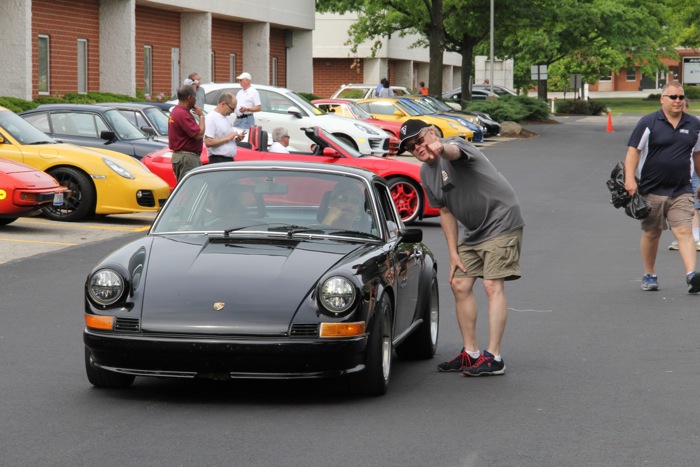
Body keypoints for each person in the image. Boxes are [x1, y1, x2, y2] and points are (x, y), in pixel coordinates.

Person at [399, 119, 524, 376]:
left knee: (492, 285)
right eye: (411, 147)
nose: (418, 148)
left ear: (432, 134)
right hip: (474, 230)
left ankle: (494, 357)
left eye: (419, 140)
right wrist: (453, 253)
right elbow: (445, 212)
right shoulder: (425, 173)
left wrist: (441, 148)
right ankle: (471, 353)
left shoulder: (456, 145)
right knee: (459, 284)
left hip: (501, 220)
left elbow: (454, 152)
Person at [624, 81, 700, 293]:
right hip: (652, 189)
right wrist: (630, 178)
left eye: (681, 97)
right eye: (673, 97)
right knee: (652, 232)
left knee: (684, 230)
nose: (678, 101)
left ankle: (691, 276)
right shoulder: (649, 122)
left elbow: (697, 154)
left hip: (681, 188)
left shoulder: (694, 124)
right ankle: (649, 274)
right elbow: (633, 151)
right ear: (662, 99)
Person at [669, 97, 700, 251]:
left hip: (692, 169)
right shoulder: (671, 125)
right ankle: (688, 237)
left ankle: (695, 238)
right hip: (680, 170)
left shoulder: (693, 125)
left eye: (683, 106)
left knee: (691, 204)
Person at [168, 84, 205, 182]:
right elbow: (199, 135)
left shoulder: (176, 111)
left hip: (181, 156)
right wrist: (201, 116)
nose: (195, 100)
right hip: (187, 158)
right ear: (190, 98)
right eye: (195, 97)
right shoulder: (183, 113)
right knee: (192, 187)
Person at [204, 92, 245, 163]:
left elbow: (226, 137)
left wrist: (236, 138)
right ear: (223, 104)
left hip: (228, 159)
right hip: (218, 159)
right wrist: (228, 138)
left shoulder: (227, 117)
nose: (233, 111)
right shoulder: (211, 118)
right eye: (232, 108)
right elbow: (208, 142)